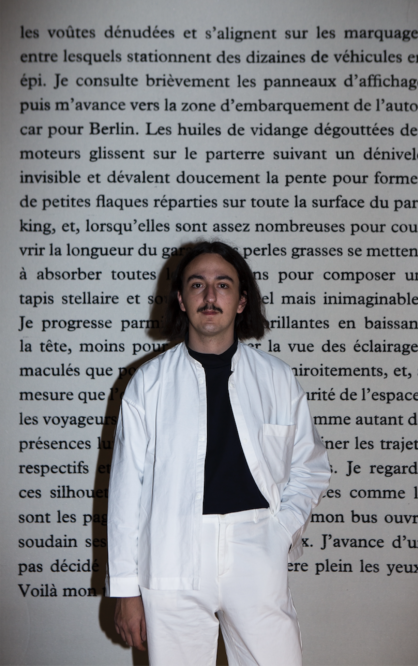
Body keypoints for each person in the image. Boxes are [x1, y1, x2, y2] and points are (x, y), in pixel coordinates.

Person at [106, 240, 331, 666]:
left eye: (223, 285)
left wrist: (280, 531)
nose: (210, 296)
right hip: (171, 553)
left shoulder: (278, 378)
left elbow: (311, 467)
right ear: (181, 299)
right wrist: (125, 590)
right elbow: (125, 495)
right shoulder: (148, 384)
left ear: (242, 301)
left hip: (256, 551)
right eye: (197, 285)